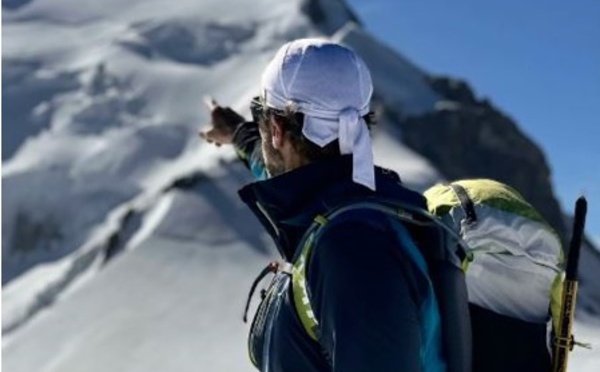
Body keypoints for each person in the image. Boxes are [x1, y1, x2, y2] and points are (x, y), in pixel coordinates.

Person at [200, 39, 468, 372]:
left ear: (278, 130)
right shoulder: (352, 203)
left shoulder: (352, 250)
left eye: (262, 118)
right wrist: (240, 133)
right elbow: (281, 165)